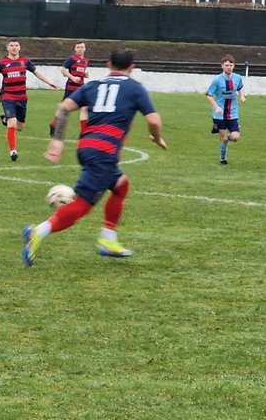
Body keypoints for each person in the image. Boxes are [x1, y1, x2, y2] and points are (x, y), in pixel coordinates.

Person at [21, 49, 167, 266]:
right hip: (105, 153)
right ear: (132, 68)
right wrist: (156, 138)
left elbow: (63, 108)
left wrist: (58, 140)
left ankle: (108, 240)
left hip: (87, 147)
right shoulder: (135, 88)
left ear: (108, 65)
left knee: (120, 186)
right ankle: (38, 232)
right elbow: (154, 121)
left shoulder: (92, 86)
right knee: (82, 204)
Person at [0, 38, 58, 161]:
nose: (14, 47)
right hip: (8, 97)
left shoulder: (25, 61)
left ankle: (5, 118)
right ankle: (13, 151)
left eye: (16, 45)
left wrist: (49, 82)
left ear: (19, 47)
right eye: (11, 45)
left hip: (22, 98)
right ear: (7, 48)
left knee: (20, 127)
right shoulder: (2, 63)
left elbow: (36, 72)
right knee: (12, 123)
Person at [206, 55, 246, 165]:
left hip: (233, 113)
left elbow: (241, 87)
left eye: (231, 65)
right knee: (223, 138)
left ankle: (225, 137)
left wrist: (242, 96)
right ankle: (223, 160)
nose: (229, 67)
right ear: (222, 66)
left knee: (235, 137)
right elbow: (208, 95)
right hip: (219, 115)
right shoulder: (217, 80)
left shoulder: (237, 78)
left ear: (234, 66)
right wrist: (216, 107)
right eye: (226, 65)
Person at [49, 41, 91, 136]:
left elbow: (80, 72)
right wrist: (72, 77)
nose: (80, 49)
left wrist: (85, 74)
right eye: (78, 47)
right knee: (64, 108)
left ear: (85, 49)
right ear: (75, 49)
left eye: (82, 47)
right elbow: (63, 70)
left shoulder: (85, 60)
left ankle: (84, 132)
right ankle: (54, 124)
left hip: (81, 87)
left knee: (85, 107)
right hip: (71, 87)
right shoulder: (71, 59)